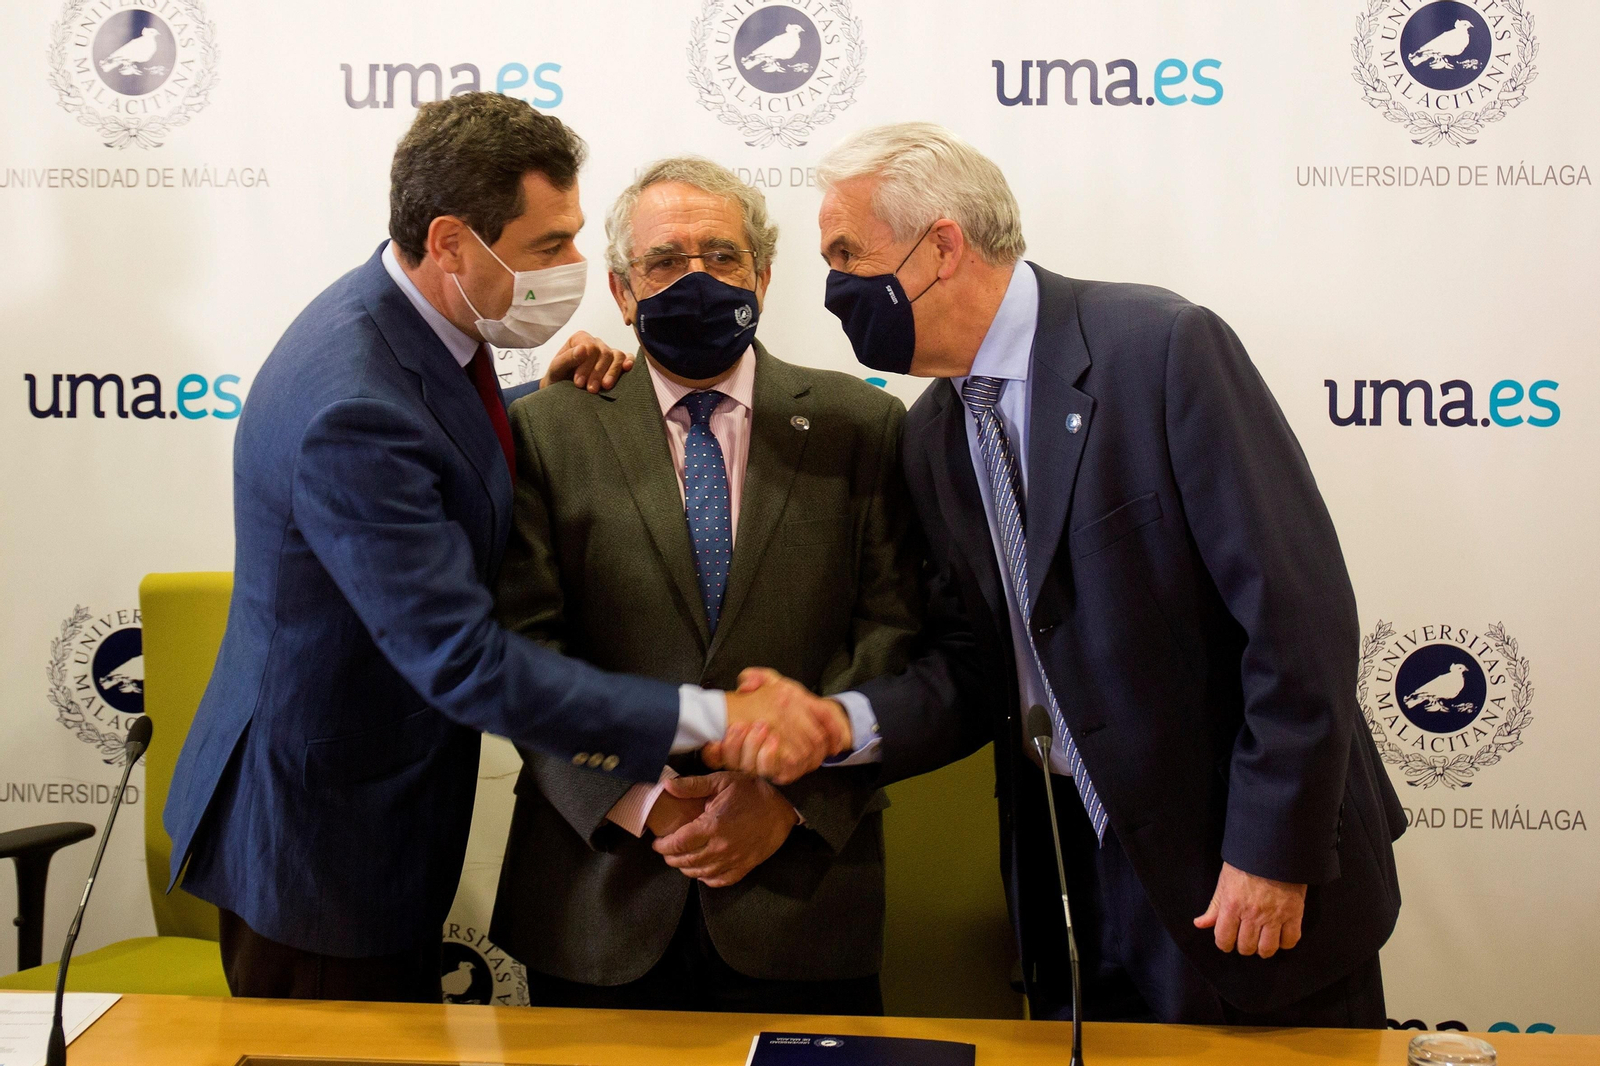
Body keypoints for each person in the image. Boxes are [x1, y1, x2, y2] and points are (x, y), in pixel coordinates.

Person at [162, 95, 848, 1003]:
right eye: (547, 245)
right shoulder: (353, 404)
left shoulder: (422, 322)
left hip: (370, 815)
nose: (571, 266)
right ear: (452, 242)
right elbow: (464, 659)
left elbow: (436, 443)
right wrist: (713, 721)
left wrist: (535, 409)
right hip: (318, 846)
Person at [733, 121, 1406, 1027]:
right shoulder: (935, 433)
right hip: (1069, 873)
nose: (835, 290)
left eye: (849, 254)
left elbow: (1296, 621)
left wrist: (1272, 850)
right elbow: (977, 668)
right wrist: (840, 721)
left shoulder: (1162, 348)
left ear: (941, 246)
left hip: (1233, 859)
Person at [489, 158, 918, 1016]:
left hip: (803, 902)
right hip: (595, 900)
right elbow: (516, 648)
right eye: (664, 261)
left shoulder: (862, 425)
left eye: (722, 256)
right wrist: (637, 801)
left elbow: (896, 642)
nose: (696, 278)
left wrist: (790, 800)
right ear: (620, 287)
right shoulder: (543, 428)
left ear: (763, 272)